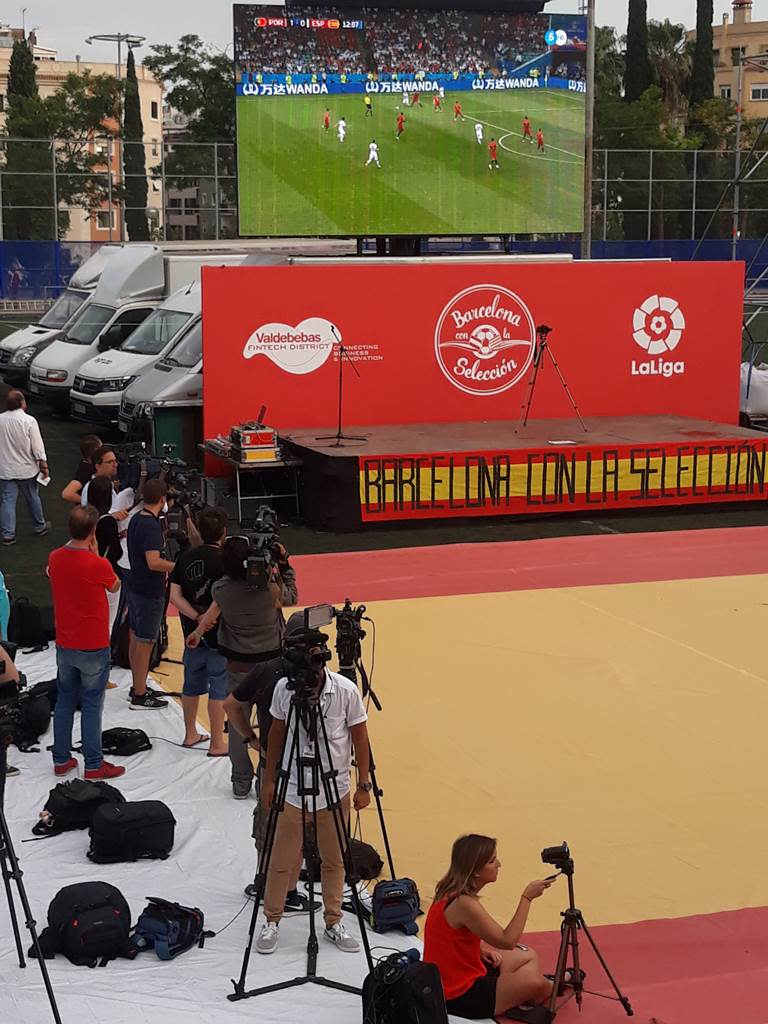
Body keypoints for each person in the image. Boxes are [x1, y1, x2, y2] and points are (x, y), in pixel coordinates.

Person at [255, 628, 371, 956]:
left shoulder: (346, 691)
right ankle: (272, 920)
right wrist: (269, 779)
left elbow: (360, 738)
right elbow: (276, 733)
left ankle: (334, 920)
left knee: (334, 860)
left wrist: (363, 784)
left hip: (334, 788)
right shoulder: (284, 688)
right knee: (281, 859)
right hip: (292, 788)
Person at [187, 534, 297, 798]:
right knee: (271, 725)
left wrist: (199, 632)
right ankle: (266, 781)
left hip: (238, 666)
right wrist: (283, 564)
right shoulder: (269, 588)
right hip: (271, 665)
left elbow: (214, 611)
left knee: (238, 724)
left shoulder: (221, 590)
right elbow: (291, 597)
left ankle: (240, 781)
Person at [224, 613, 320, 915]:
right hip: (307, 761)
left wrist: (250, 736)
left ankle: (264, 881)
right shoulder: (321, 674)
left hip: (271, 759)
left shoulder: (266, 670)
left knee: (268, 822)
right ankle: (288, 891)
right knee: (299, 823)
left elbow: (231, 705)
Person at [423, 834, 558, 1019]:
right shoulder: (465, 903)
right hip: (459, 994)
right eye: (492, 861)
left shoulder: (448, 890)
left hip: (457, 975)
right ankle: (553, 985)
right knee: (535, 982)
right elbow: (508, 941)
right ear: (476, 871)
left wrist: (479, 950)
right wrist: (527, 898)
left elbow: (448, 935)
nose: (499, 864)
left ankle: (516, 993)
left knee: (528, 955)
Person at [48, 505, 124, 780]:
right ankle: (93, 763)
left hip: (66, 642)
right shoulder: (98, 564)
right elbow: (115, 585)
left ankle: (61, 758)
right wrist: (95, 555)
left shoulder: (55, 558)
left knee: (65, 699)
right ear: (93, 532)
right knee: (92, 703)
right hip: (93, 643)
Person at [169, 507, 229, 755]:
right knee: (219, 688)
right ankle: (217, 742)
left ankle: (190, 733)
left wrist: (196, 619)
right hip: (219, 636)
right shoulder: (226, 560)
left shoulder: (185, 557)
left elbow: (174, 596)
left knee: (191, 684)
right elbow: (222, 599)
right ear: (223, 533)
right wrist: (206, 620)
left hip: (191, 634)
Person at [125, 478, 173, 710]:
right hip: (149, 591)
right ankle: (140, 694)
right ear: (163, 499)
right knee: (145, 642)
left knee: (136, 637)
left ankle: (137, 685)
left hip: (135, 586)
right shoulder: (151, 527)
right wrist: (176, 566)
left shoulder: (136, 519)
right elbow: (154, 562)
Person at [0, 389, 50, 546]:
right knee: (32, 497)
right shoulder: (29, 421)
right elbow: (37, 446)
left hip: (6, 469)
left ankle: (8, 534)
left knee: (8, 501)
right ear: (23, 403)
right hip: (27, 469)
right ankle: (39, 526)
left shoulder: (0, 419)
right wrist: (44, 465)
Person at [61, 434, 102, 504]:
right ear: (96, 451)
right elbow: (67, 494)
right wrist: (89, 502)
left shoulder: (86, 465)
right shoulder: (86, 471)